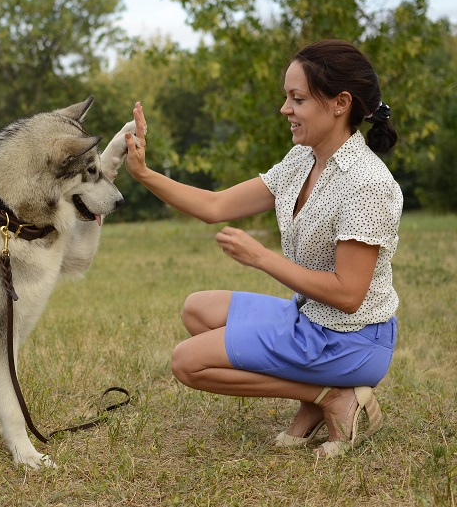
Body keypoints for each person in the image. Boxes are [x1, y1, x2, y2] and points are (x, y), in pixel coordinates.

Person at [123, 39, 403, 458]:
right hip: (310, 318)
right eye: (286, 97)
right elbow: (216, 206)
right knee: (196, 309)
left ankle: (333, 396)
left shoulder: (367, 184)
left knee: (188, 362)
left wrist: (261, 258)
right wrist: (144, 173)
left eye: (298, 99)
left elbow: (349, 294)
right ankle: (317, 398)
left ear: (340, 103)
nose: (285, 109)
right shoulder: (302, 159)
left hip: (352, 340)